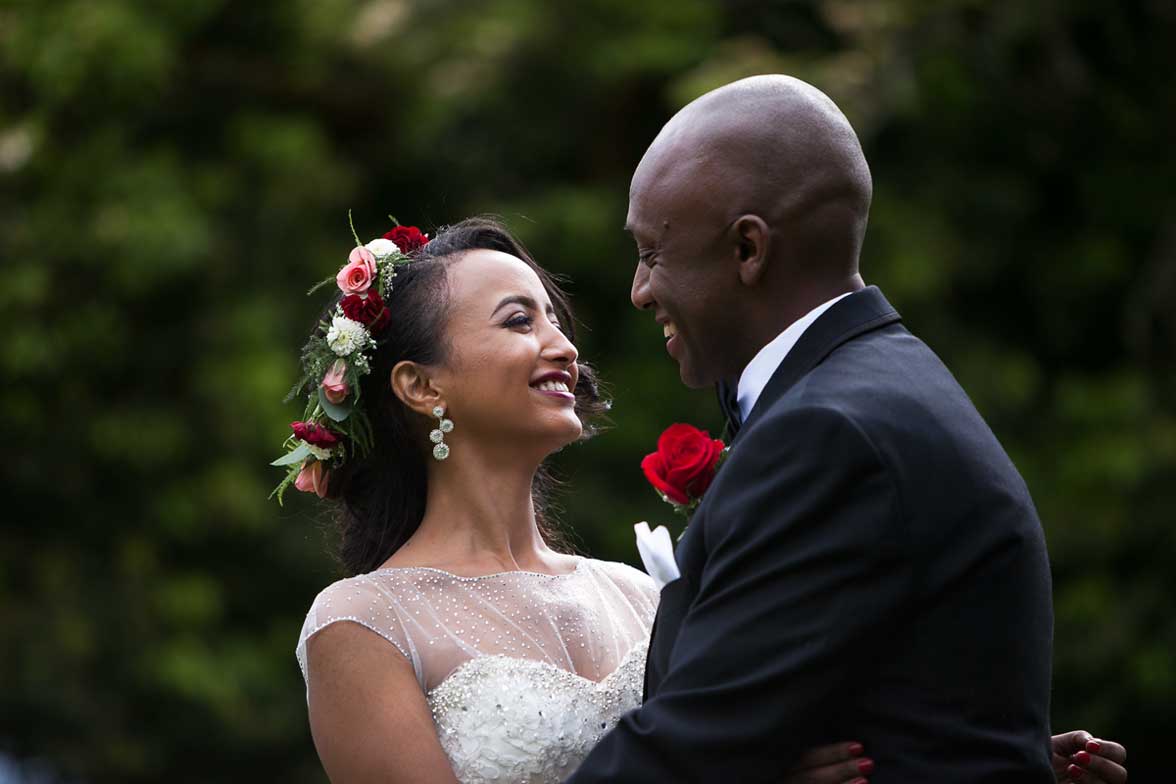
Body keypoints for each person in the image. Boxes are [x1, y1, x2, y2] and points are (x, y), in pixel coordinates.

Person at [283, 216, 1124, 783]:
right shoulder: (363, 626)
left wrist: (975, 765)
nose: (562, 345)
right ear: (420, 386)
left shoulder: (641, 591)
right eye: (517, 321)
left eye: (555, 317)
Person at [563, 75, 1128, 784]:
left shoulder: (826, 433)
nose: (640, 290)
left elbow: (693, 746)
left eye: (651, 254)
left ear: (748, 250)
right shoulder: (884, 381)